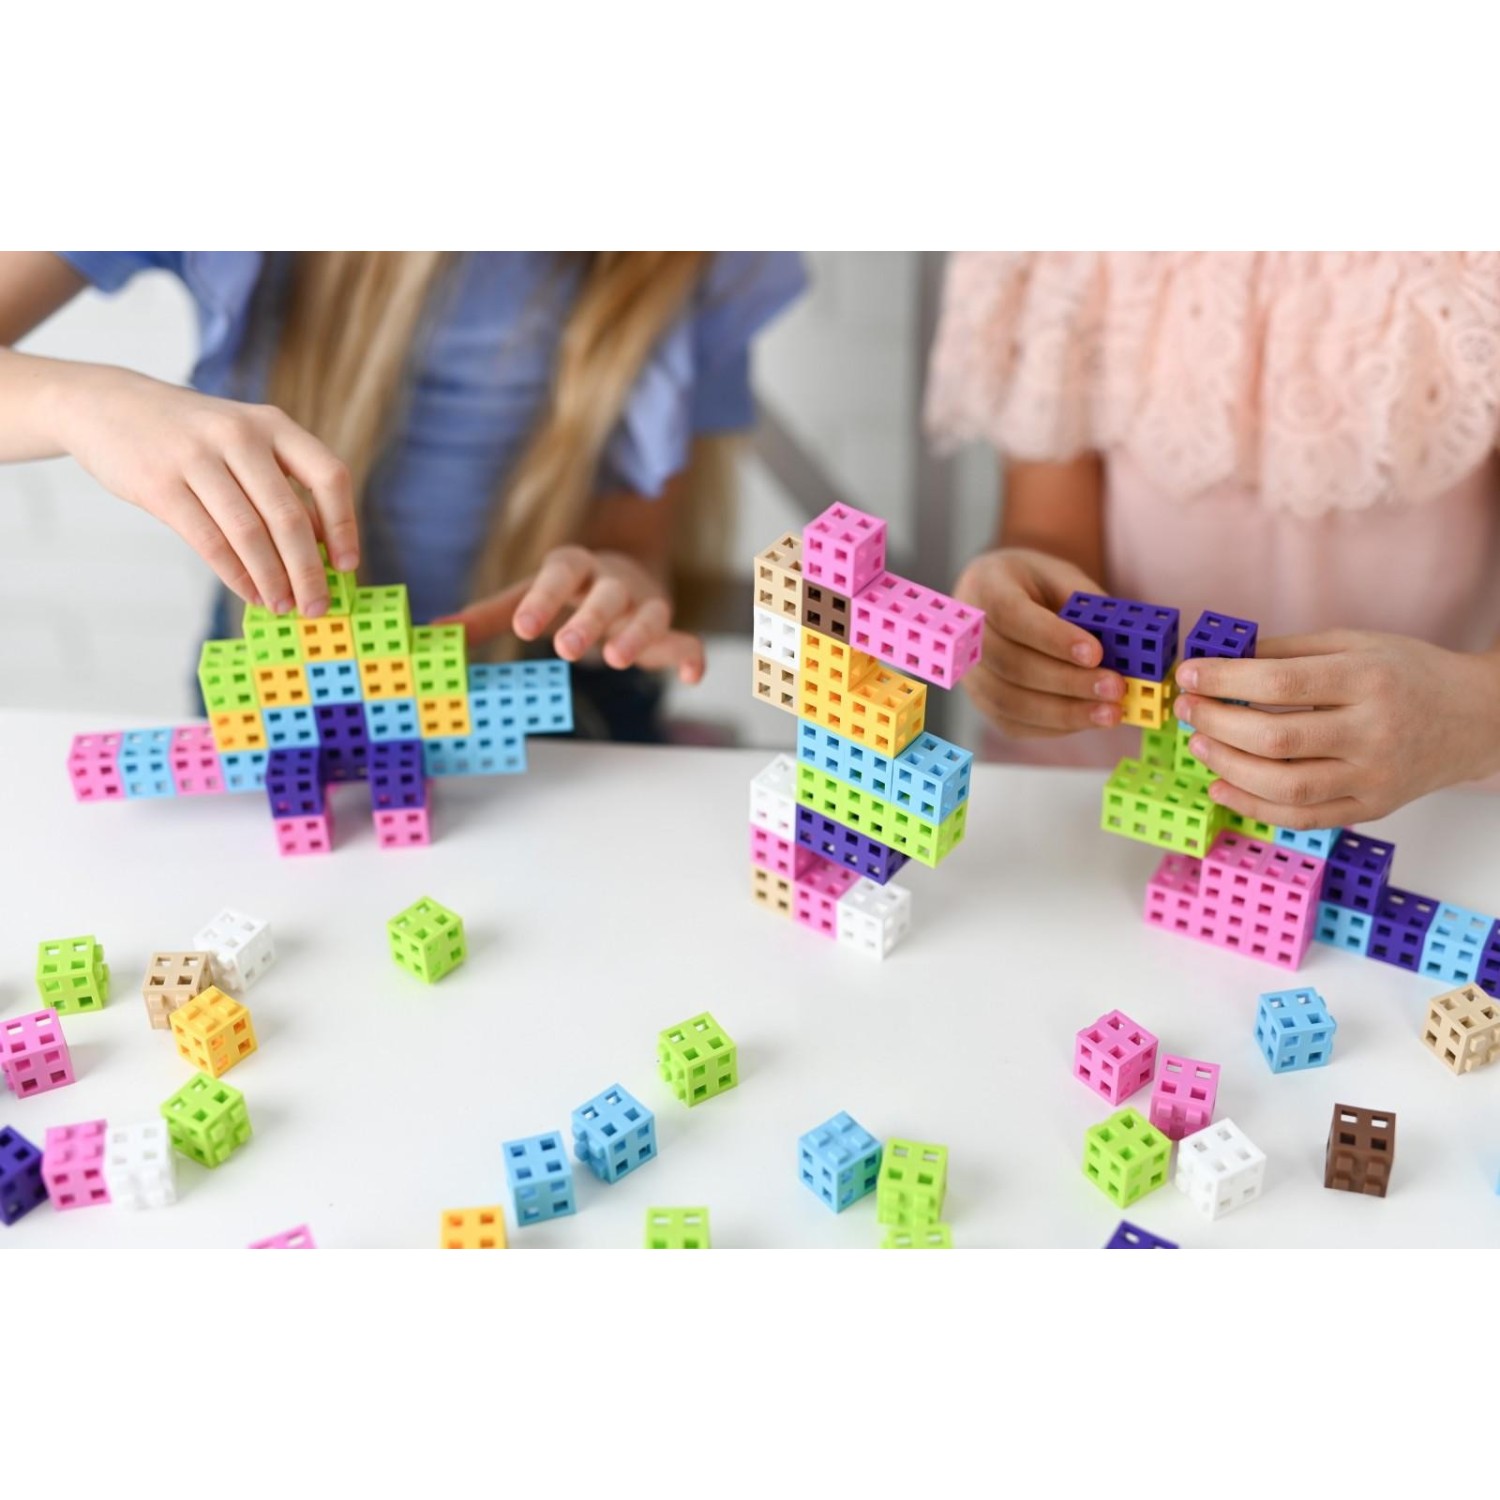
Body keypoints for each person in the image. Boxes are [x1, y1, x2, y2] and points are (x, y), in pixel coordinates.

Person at [0, 251, 805, 740]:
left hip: (558, 688)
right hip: (282, 680)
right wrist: (82, 403)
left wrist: (621, 583)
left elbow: (635, 539)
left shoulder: (681, 259)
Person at [926, 251, 1500, 829]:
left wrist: (1473, 712)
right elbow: (1048, 532)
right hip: (1093, 789)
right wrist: (1019, 618)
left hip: (1428, 801)